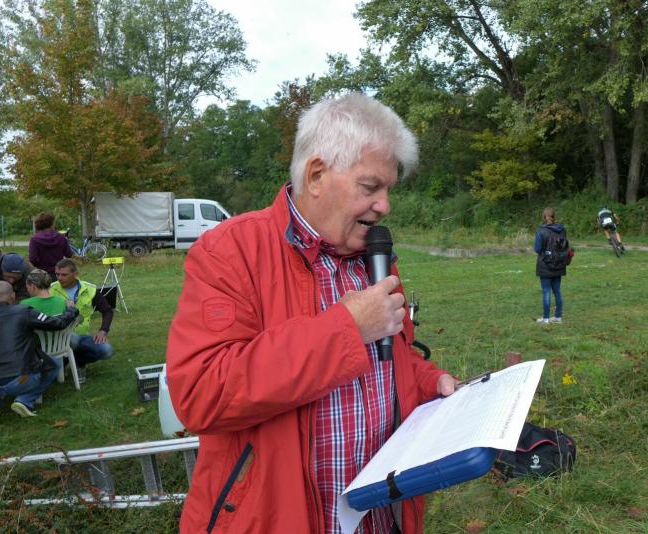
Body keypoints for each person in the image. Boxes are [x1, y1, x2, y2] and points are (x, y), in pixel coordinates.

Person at [166, 93, 459, 534]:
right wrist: (347, 328)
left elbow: (388, 360)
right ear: (317, 175)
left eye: (388, 190)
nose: (385, 205)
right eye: (370, 188)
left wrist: (427, 381)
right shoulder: (230, 251)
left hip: (380, 518)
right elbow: (201, 393)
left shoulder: (374, 257)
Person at [0, 281, 79, 421]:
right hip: (22, 380)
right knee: (55, 364)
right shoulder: (24, 311)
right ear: (13, 296)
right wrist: (71, 310)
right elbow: (57, 323)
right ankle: (24, 400)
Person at [50, 258, 114, 382]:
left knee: (107, 350)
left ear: (75, 274)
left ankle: (79, 362)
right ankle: (64, 363)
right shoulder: (51, 289)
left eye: (64, 275)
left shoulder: (90, 289)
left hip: (82, 337)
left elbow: (107, 311)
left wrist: (103, 331)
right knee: (72, 340)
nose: (59, 278)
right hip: (58, 338)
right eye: (57, 274)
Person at [533, 207, 567, 324]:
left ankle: (546, 318)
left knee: (546, 291)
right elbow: (564, 245)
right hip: (559, 263)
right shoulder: (562, 230)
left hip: (545, 264)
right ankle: (558, 317)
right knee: (557, 291)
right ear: (554, 216)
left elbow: (537, 249)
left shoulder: (541, 231)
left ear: (544, 217)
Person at [29, 212, 73, 281]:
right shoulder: (61, 237)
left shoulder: (34, 239)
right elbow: (69, 254)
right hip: (59, 274)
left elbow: (33, 259)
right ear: (52, 223)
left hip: (42, 274)